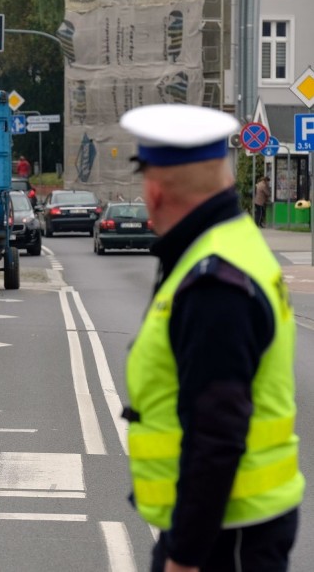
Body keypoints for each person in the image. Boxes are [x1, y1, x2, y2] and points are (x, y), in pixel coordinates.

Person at [120, 104, 304, 572]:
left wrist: (183, 555)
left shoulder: (214, 281)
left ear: (156, 190)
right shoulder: (233, 244)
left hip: (224, 536)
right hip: (236, 526)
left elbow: (217, 434)